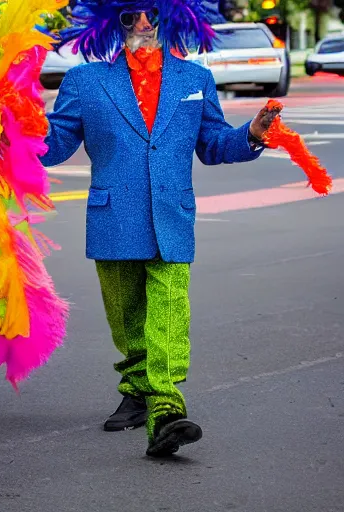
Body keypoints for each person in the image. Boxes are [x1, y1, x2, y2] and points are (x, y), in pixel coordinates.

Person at [40, 0, 281, 457]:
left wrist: (251, 132)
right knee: (128, 319)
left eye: (151, 13)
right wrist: (19, 126)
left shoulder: (195, 80)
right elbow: (54, 146)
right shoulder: (86, 81)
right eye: (130, 17)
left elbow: (213, 144)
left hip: (172, 217)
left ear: (172, 18)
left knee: (169, 314)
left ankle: (166, 410)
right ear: (112, 23)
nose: (143, 25)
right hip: (114, 218)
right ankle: (136, 390)